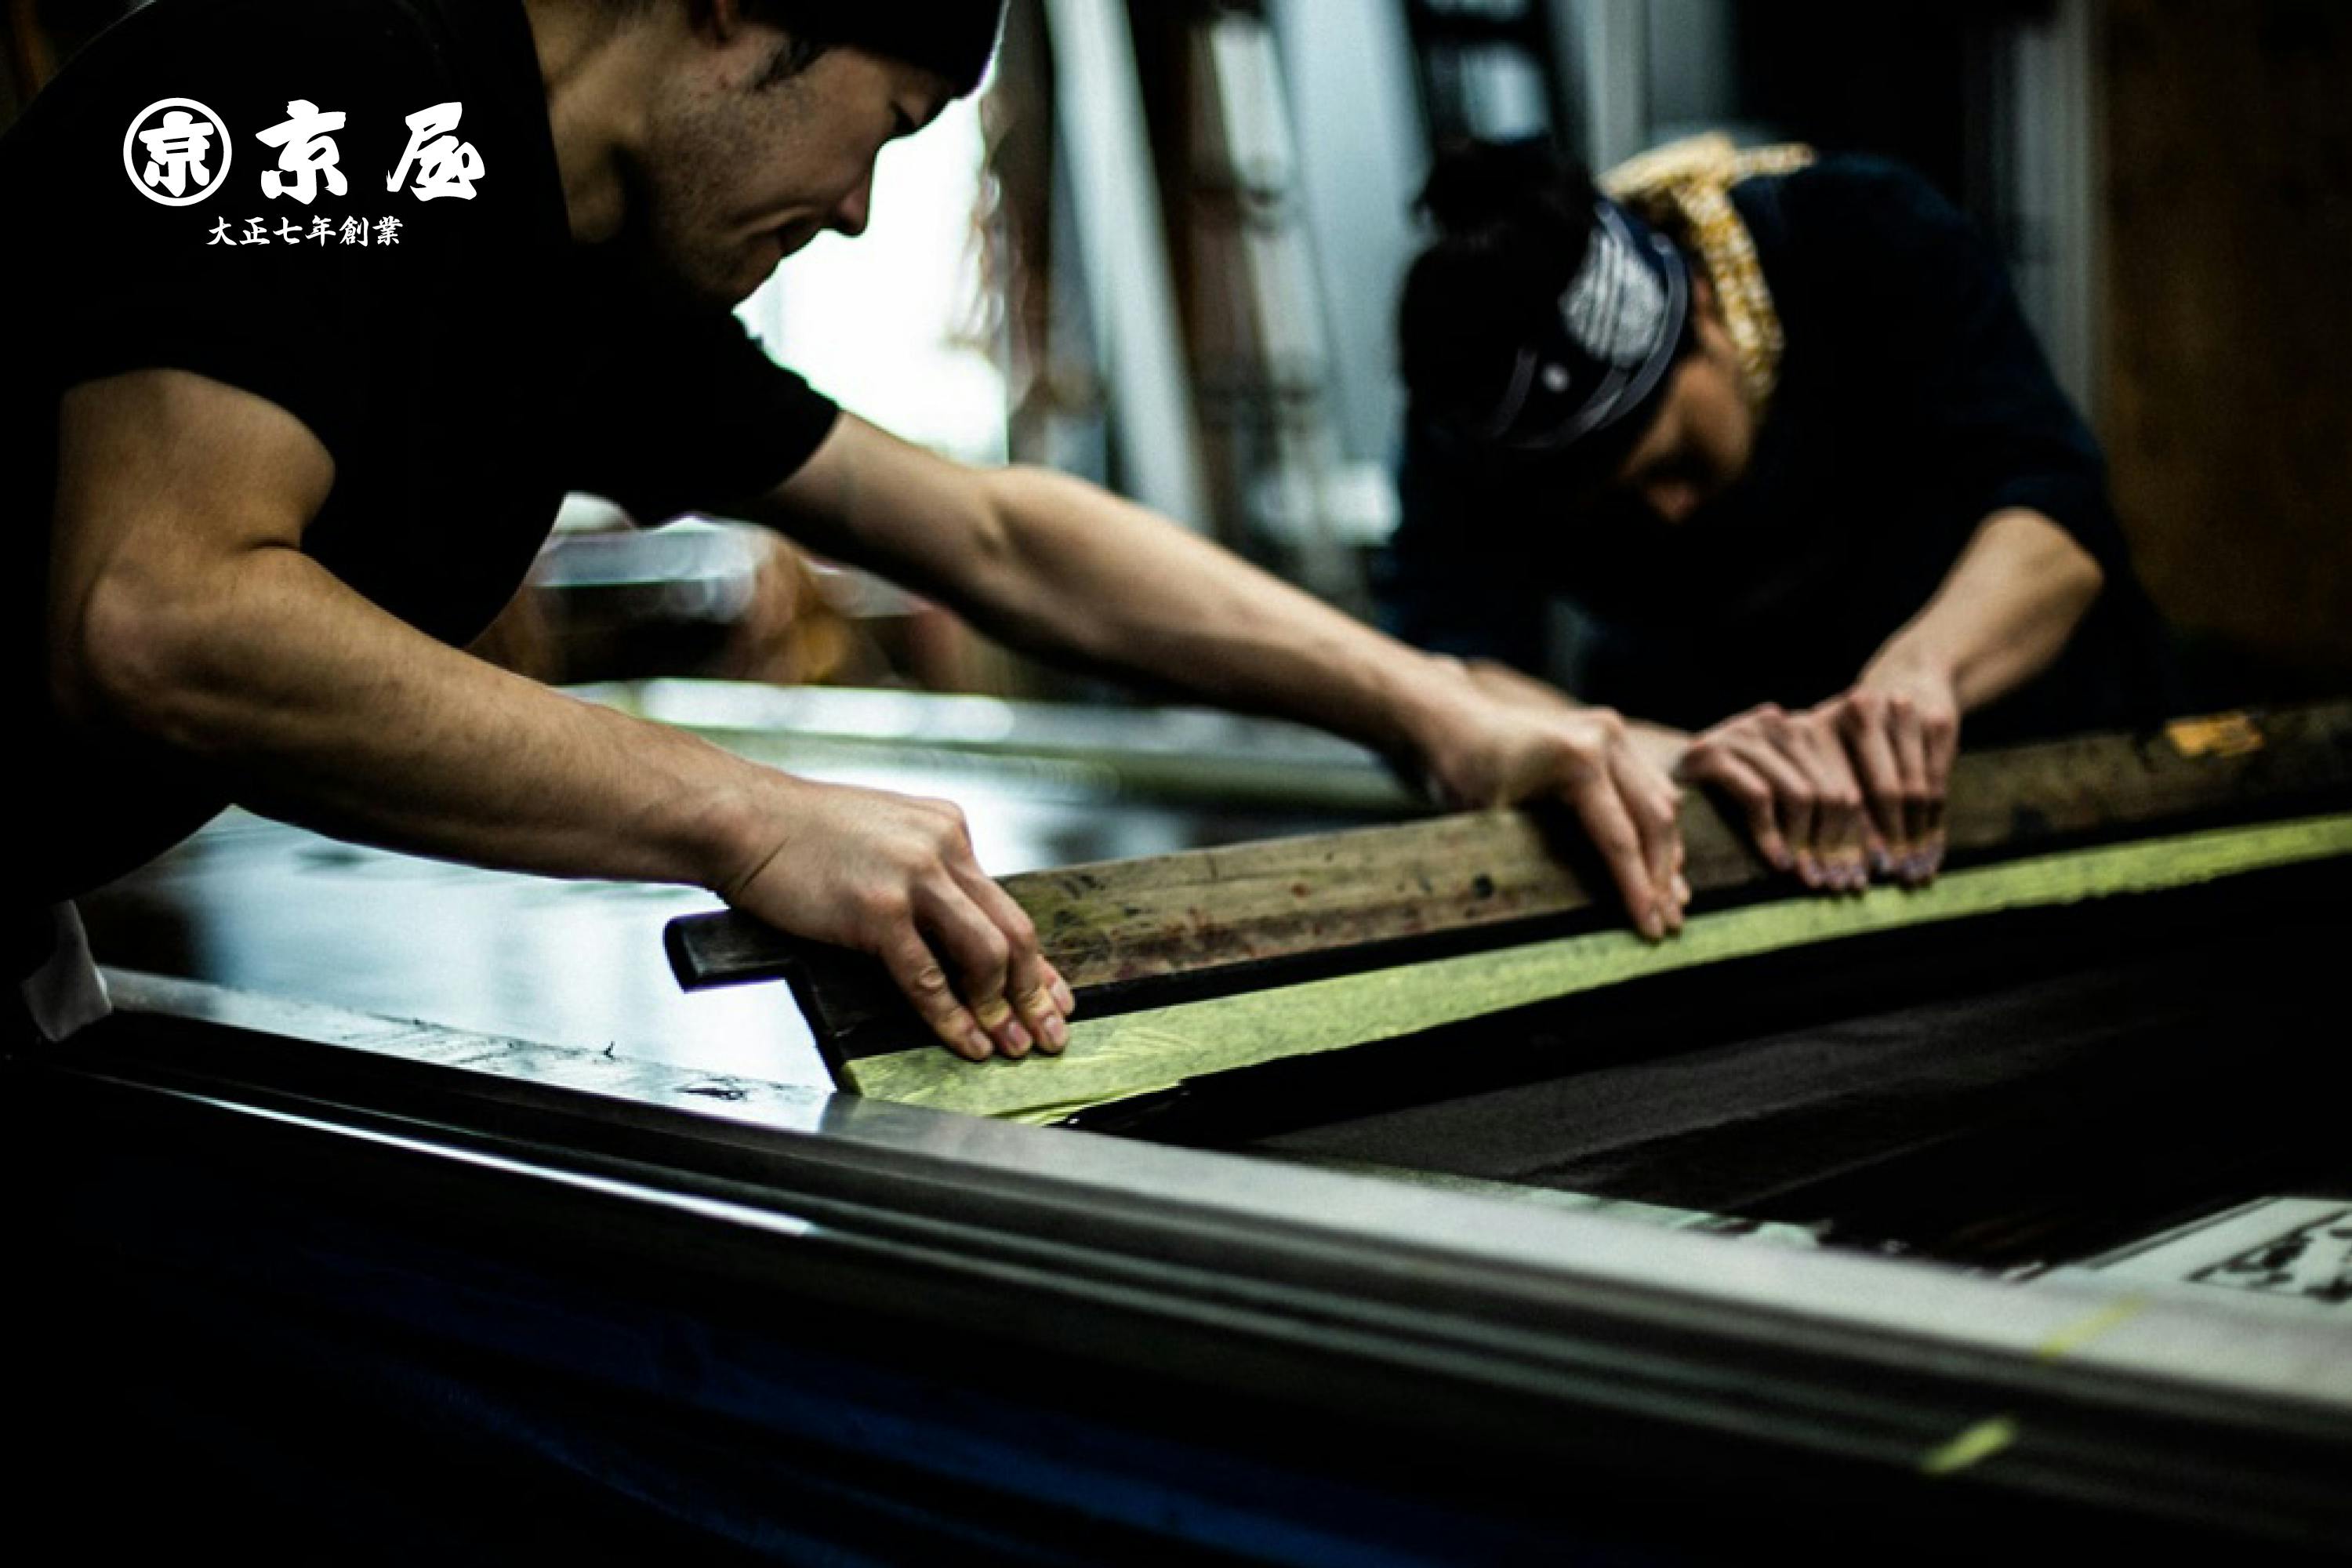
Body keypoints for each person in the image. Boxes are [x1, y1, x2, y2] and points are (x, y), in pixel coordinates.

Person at [6, 0, 1694, 1065]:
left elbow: (993, 534)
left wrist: (1439, 710)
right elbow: (161, 612)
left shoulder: (594, 281)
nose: (861, 210)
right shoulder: (313, 73)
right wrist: (749, 815)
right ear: (737, 11)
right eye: (885, 128)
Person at [1383, 136, 2176, 893]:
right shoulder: (1473, 411)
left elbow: (2055, 512)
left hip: (2047, 751)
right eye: (1614, 504)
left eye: (1673, 460)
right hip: (1741, 818)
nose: (1669, 511)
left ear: (1704, 308)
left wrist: (1925, 670)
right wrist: (1632, 751)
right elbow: (1442, 673)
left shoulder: (1864, 232)